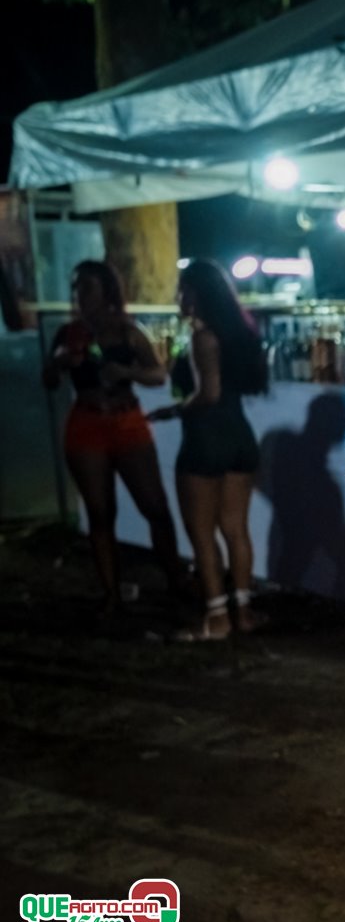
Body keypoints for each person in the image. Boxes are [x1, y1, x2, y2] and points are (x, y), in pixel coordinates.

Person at [42, 260, 186, 619]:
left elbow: (158, 374)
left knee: (155, 507)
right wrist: (59, 363)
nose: (81, 296)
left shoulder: (128, 331)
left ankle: (176, 581)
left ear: (107, 291)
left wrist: (127, 371)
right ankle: (111, 595)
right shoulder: (68, 334)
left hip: (126, 421)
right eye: (77, 289)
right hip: (87, 422)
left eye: (88, 288)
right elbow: (49, 382)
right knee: (100, 513)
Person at [147, 260, 269, 639]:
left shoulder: (203, 337)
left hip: (205, 438)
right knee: (236, 528)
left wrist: (172, 410)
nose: (178, 298)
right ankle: (243, 611)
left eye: (183, 290)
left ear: (197, 294)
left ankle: (216, 617)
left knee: (201, 533)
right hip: (239, 436)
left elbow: (208, 393)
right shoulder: (238, 333)